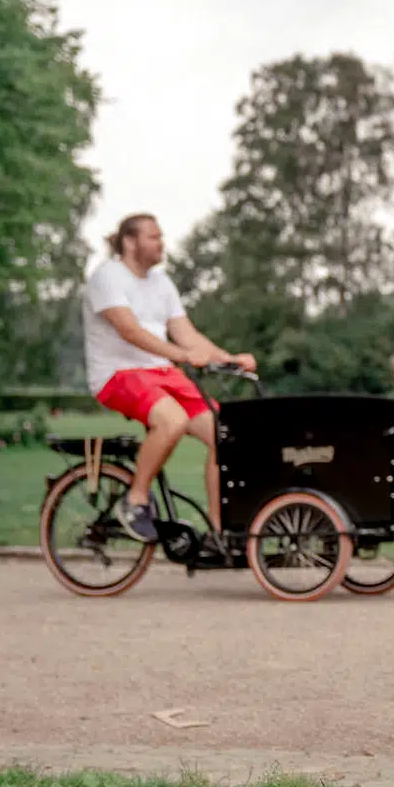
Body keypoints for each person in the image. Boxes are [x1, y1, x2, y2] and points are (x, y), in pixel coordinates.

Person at [82, 213, 255, 545]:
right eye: (153, 237)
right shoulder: (108, 277)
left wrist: (229, 358)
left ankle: (221, 534)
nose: (161, 243)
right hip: (118, 375)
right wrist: (180, 355)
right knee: (172, 421)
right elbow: (129, 330)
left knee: (226, 434)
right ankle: (135, 501)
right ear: (129, 242)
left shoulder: (162, 283)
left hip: (162, 374)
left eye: (161, 237)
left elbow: (187, 334)